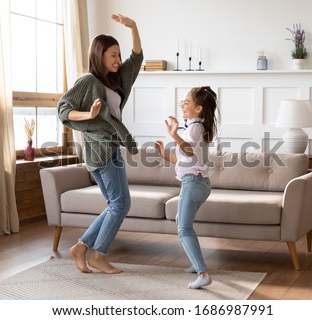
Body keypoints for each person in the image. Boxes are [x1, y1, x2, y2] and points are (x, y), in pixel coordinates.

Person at [57, 14, 143, 274]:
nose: (118, 60)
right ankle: (98, 254)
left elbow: (136, 59)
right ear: (100, 56)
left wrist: (134, 27)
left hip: (108, 149)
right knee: (121, 204)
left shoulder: (114, 81)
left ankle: (81, 248)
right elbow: (63, 110)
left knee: (115, 205)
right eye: (113, 55)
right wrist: (89, 115)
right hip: (102, 150)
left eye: (118, 55)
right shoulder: (88, 81)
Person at [155, 86, 219, 289]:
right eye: (182, 101)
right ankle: (196, 263)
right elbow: (188, 160)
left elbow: (189, 151)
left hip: (193, 183)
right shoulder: (196, 127)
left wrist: (175, 136)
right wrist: (165, 155)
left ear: (199, 109)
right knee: (182, 222)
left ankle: (203, 273)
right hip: (199, 183)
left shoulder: (194, 128)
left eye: (187, 102)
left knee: (183, 228)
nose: (182, 104)